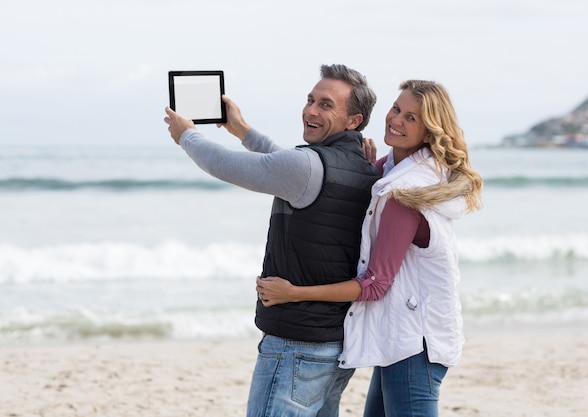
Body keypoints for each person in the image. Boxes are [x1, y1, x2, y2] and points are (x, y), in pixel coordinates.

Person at [164, 64, 381, 417]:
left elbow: (227, 164)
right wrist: (242, 130)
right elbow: (287, 164)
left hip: (296, 346)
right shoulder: (365, 168)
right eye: (310, 99)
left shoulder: (307, 167)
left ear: (354, 120)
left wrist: (186, 135)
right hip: (337, 345)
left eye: (326, 105)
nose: (310, 110)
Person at [256, 80, 483, 417]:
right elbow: (297, 168)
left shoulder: (404, 193)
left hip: (415, 344)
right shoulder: (397, 172)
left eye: (411, 118)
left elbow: (375, 285)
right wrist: (242, 130)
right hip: (407, 336)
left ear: (429, 131)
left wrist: (294, 293)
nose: (395, 121)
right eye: (396, 109)